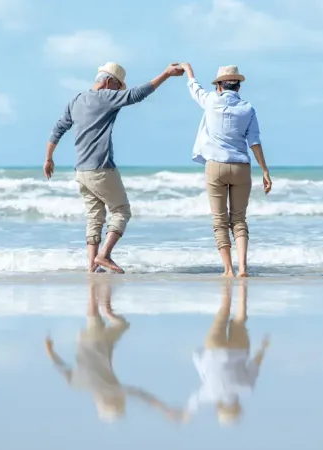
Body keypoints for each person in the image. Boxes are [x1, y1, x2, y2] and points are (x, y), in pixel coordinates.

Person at [44, 62, 185, 274]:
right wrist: (165, 73)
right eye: (118, 87)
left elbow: (58, 128)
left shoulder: (76, 100)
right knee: (121, 211)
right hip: (101, 168)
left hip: (81, 170)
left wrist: (48, 158)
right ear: (109, 81)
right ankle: (104, 255)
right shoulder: (106, 97)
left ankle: (92, 266)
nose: (119, 92)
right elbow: (136, 95)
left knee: (94, 217)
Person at [44, 279, 186, 423]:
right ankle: (96, 289)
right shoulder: (78, 385)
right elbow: (62, 368)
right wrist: (50, 350)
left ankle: (98, 291)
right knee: (99, 316)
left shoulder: (111, 390)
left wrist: (164, 409)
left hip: (99, 342)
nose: (121, 399)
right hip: (88, 341)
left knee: (115, 321)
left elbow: (141, 395)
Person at [181, 63, 272, 277]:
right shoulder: (247, 108)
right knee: (239, 219)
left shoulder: (211, 101)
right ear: (238, 87)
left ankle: (228, 269)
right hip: (241, 166)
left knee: (219, 220)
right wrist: (265, 171)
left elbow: (195, 89)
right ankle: (243, 267)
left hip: (215, 167)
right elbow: (255, 142)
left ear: (219, 86)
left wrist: (188, 70)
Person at [184, 281, 270, 426]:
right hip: (214, 349)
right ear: (219, 407)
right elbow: (193, 402)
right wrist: (188, 413)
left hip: (239, 350)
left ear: (238, 406)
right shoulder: (208, 394)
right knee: (224, 311)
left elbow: (255, 364)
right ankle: (228, 282)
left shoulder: (247, 388)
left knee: (240, 320)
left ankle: (242, 285)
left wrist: (263, 348)